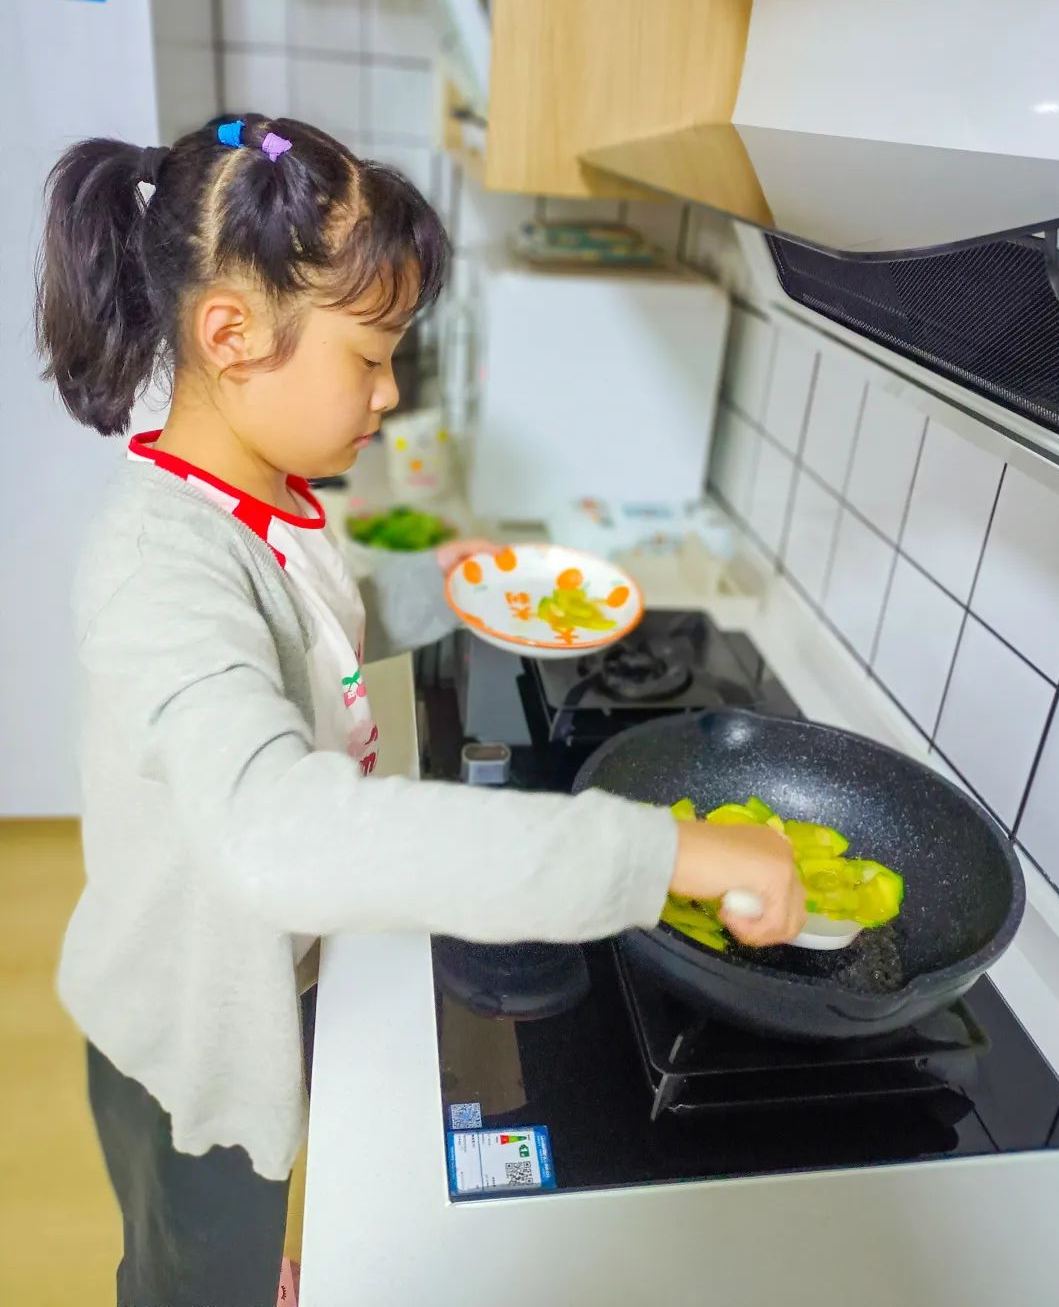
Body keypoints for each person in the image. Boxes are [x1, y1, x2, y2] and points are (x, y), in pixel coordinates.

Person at [36, 113, 806, 1307]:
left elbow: (313, 630)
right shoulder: (158, 570)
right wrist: (666, 855)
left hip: (256, 996)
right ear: (231, 336)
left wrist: (449, 583)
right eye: (370, 355)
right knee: (191, 1257)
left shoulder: (260, 493)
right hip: (183, 1051)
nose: (390, 393)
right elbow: (278, 832)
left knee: (236, 1239)